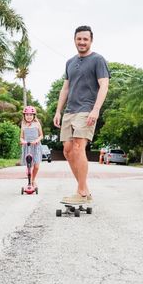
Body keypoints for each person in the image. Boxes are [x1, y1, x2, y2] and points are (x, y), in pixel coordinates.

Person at [53, 25, 110, 204]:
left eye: (86, 39)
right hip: (70, 111)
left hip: (87, 109)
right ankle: (84, 189)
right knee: (68, 151)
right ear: (75, 40)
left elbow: (104, 85)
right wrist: (58, 111)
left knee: (79, 147)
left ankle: (81, 192)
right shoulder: (70, 62)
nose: (82, 42)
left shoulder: (98, 60)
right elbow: (66, 88)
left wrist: (96, 109)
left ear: (91, 40)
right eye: (79, 39)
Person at [20, 106, 43, 188]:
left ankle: (33, 180)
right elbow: (21, 137)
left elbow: (41, 135)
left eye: (30, 115)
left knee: (36, 166)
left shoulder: (37, 124)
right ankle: (30, 182)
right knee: (29, 166)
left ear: (34, 115)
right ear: (24, 116)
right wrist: (23, 141)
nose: (29, 116)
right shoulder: (23, 124)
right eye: (27, 115)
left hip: (36, 146)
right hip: (27, 146)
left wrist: (37, 140)